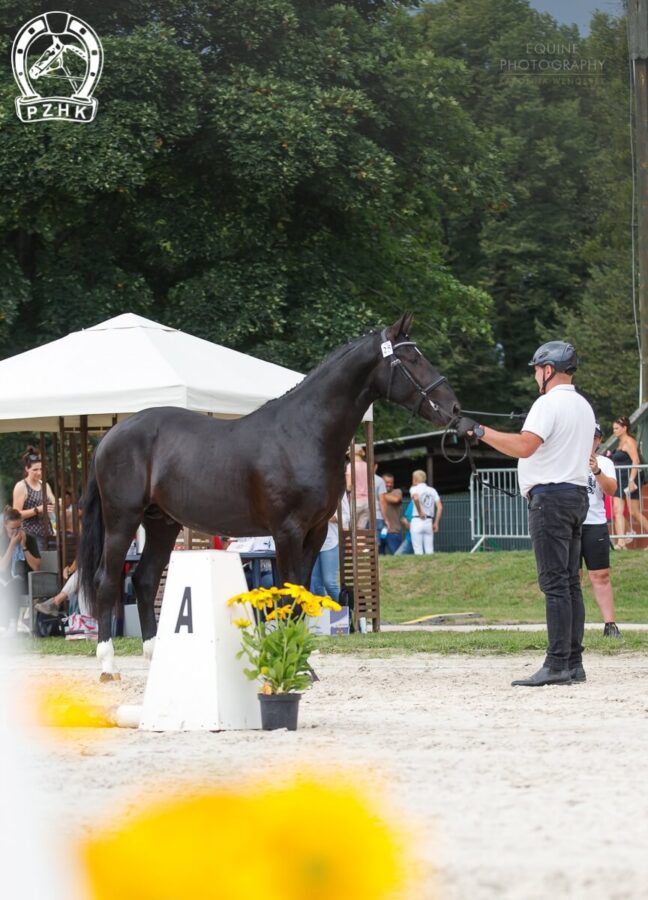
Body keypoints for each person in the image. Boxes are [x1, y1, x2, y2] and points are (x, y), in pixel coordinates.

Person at [456, 340, 594, 687]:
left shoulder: (547, 404)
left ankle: (556, 664)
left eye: (536, 369)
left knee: (554, 585)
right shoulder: (584, 405)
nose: (535, 376)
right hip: (576, 497)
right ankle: (573, 663)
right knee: (569, 585)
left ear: (548, 370)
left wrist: (480, 431)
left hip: (550, 500)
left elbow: (524, 446)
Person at [582, 424, 621, 638]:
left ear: (600, 440)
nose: (591, 441)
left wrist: (596, 469)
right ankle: (572, 625)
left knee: (601, 574)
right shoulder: (566, 458)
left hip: (594, 522)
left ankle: (610, 624)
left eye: (595, 437)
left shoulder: (605, 462)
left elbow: (611, 490)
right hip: (570, 522)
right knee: (572, 577)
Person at [606, 415, 648, 549]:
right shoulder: (619, 443)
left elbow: (636, 461)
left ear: (625, 428)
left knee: (634, 512)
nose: (615, 431)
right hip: (619, 479)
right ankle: (621, 542)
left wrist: (631, 480)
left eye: (617, 428)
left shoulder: (630, 441)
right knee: (617, 510)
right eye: (614, 428)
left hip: (630, 479)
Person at [0, 506, 41, 633]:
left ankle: (9, 624)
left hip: (26, 581)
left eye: (19, 527)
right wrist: (12, 545)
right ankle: (10, 624)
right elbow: (2, 567)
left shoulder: (29, 539)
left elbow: (36, 566)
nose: (16, 531)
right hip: (5, 581)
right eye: (13, 528)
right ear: (5, 525)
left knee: (15, 584)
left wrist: (24, 547)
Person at [12, 446, 56, 551]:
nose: (39, 473)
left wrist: (57, 504)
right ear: (27, 469)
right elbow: (15, 515)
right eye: (35, 469)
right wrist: (37, 510)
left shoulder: (45, 485)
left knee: (52, 565)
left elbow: (52, 506)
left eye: (41, 469)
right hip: (31, 535)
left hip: (48, 534)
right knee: (38, 566)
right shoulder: (21, 486)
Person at [408, 470, 442, 555]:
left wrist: (420, 512)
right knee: (430, 550)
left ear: (414, 479)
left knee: (418, 550)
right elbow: (440, 507)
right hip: (429, 522)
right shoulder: (432, 490)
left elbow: (415, 498)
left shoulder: (414, 489)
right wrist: (436, 523)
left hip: (417, 520)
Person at [310, 515, 341, 602]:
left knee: (329, 583)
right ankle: (322, 613)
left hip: (330, 543)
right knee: (316, 586)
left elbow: (345, 517)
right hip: (313, 543)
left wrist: (324, 515)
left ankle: (343, 612)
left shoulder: (339, 500)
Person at [345, 446, 369, 529]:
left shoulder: (351, 466)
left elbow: (349, 486)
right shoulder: (367, 466)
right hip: (367, 502)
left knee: (350, 530)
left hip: (355, 501)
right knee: (361, 531)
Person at [380, 473, 404, 555]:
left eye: (391, 482)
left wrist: (379, 495)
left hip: (393, 531)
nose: (389, 484)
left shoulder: (397, 491)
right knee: (378, 559)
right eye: (386, 482)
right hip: (378, 530)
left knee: (397, 557)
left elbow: (396, 499)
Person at [374, 466, 387, 549]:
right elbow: (382, 500)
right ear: (376, 466)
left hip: (359, 513)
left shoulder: (355, 477)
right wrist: (385, 519)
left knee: (362, 540)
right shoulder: (379, 480)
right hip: (377, 515)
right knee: (376, 541)